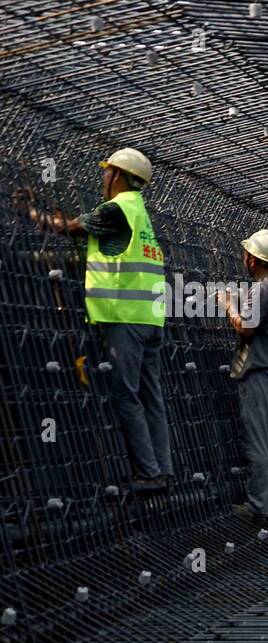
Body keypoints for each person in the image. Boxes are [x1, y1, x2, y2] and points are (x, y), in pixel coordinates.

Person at [27, 148, 172, 493]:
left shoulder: (117, 209)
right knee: (151, 396)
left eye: (107, 173)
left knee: (126, 394)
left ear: (118, 176)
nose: (103, 178)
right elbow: (87, 227)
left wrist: (29, 211)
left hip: (125, 319)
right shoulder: (139, 214)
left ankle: (148, 474)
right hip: (150, 320)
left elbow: (68, 228)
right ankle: (163, 469)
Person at [220, 229, 268, 525]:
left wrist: (228, 305)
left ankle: (257, 508)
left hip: (260, 376)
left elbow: (247, 328)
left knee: (258, 444)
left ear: (252, 259)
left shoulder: (262, 289)